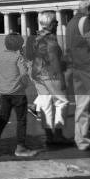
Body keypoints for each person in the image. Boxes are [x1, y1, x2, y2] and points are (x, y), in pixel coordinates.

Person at [0, 33, 38, 157]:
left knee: (3, 118)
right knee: (21, 120)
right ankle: (20, 147)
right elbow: (24, 74)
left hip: (4, 93)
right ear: (19, 45)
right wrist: (24, 85)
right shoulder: (18, 58)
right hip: (18, 93)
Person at [29, 11, 71, 146]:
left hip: (37, 74)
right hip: (50, 74)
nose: (58, 24)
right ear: (52, 24)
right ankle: (58, 134)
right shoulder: (51, 40)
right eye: (56, 22)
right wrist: (62, 79)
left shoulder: (37, 37)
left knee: (45, 105)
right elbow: (54, 62)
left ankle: (49, 136)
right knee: (62, 102)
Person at [66, 0, 90, 150]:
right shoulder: (85, 21)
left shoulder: (70, 23)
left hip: (78, 70)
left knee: (82, 107)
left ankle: (82, 141)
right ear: (89, 9)